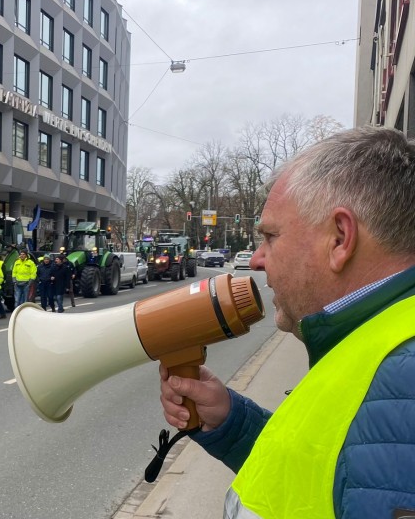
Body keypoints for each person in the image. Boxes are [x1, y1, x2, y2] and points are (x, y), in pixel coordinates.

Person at [159, 127, 415, 518]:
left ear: (340, 239)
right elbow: (323, 472)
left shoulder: (402, 383)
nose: (258, 259)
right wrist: (231, 421)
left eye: (271, 237)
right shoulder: (380, 347)